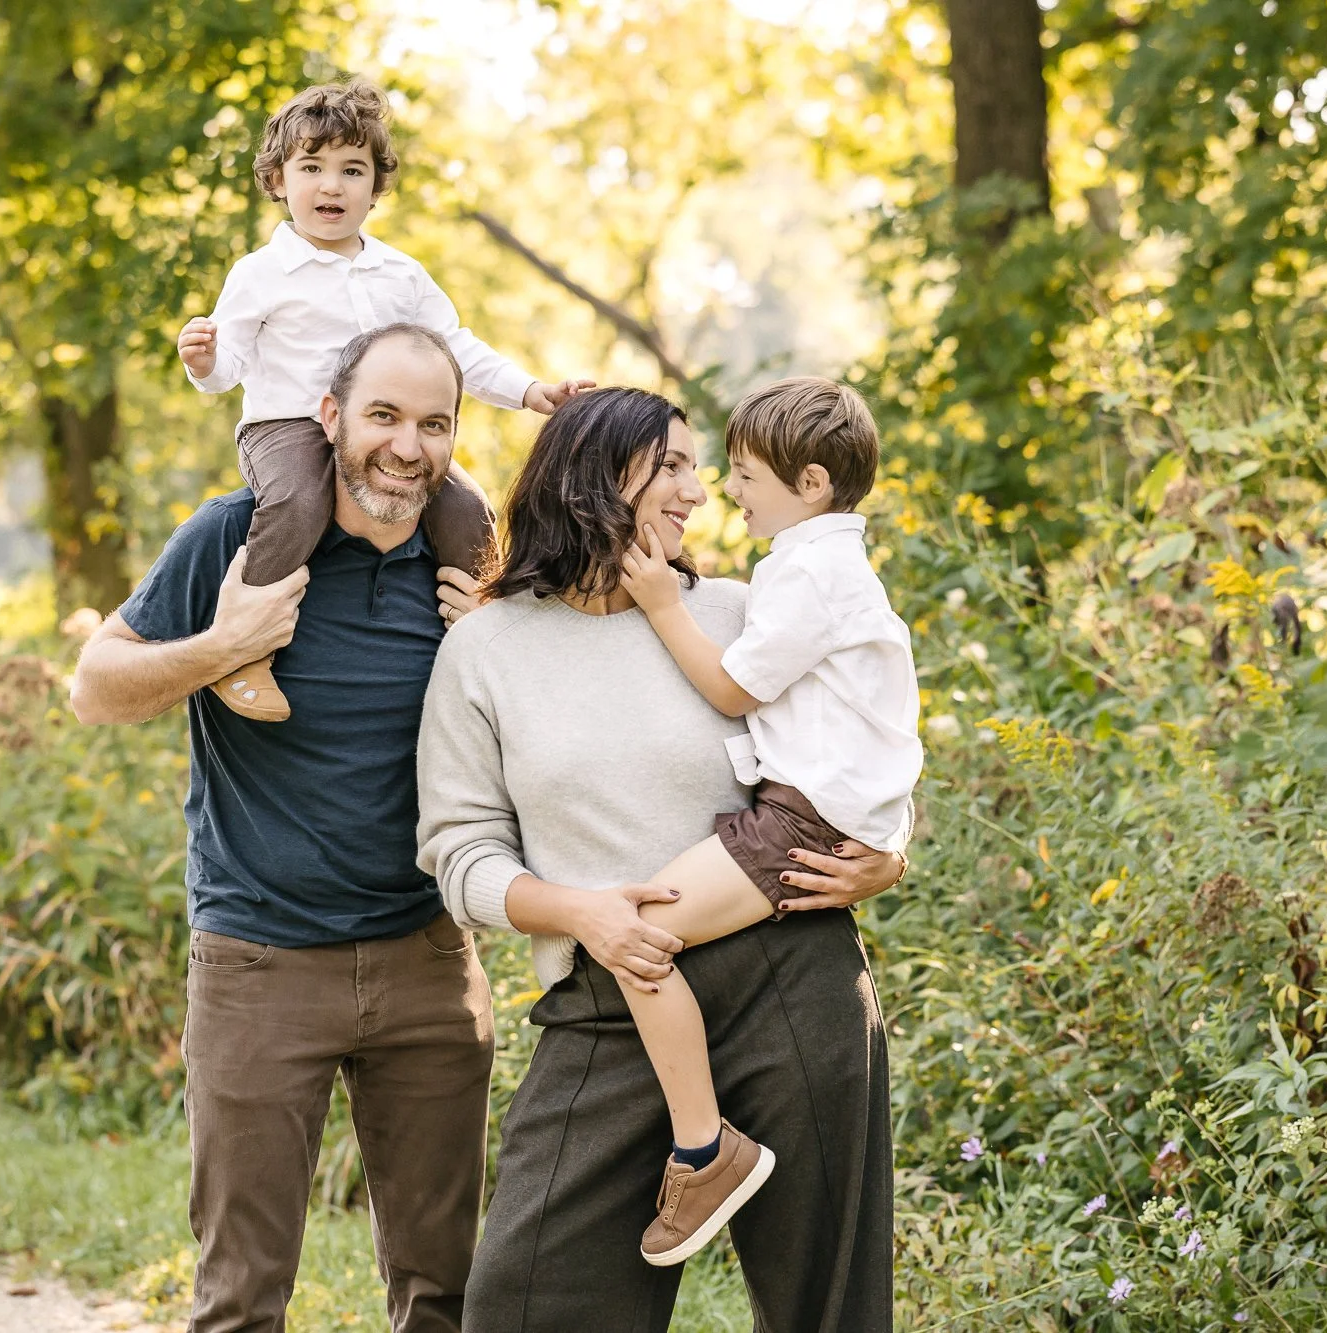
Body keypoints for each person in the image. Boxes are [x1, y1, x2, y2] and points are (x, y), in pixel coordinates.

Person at [417, 387, 904, 1331]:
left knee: (831, 1307)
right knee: (525, 1304)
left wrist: (890, 851)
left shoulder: (737, 609)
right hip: (611, 992)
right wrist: (578, 911)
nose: (701, 490)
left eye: (702, 466)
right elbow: (458, 852)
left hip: (790, 976)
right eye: (673, 466)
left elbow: (857, 732)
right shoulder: (485, 648)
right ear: (599, 473)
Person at [72, 325, 499, 1333]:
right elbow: (94, 686)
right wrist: (223, 644)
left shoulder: (469, 569)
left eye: (433, 423)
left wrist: (493, 645)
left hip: (428, 965)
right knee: (240, 1298)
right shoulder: (237, 538)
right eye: (383, 415)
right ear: (328, 417)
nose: (406, 446)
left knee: (445, 1292)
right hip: (259, 962)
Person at [608, 375, 922, 1264]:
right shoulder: (819, 569)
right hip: (813, 814)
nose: (726, 491)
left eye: (744, 474)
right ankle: (704, 1143)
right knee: (644, 932)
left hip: (801, 822)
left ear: (811, 483)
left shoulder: (815, 576)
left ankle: (704, 1149)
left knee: (635, 936)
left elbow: (731, 685)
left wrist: (664, 603)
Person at [176, 77, 589, 723]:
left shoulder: (400, 273)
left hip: (388, 430)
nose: (331, 185)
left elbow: (454, 347)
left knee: (467, 507)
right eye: (311, 167)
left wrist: (530, 390)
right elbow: (228, 367)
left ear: (375, 186)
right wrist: (204, 361)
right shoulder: (260, 273)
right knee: (298, 501)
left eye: (351, 169)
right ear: (279, 180)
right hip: (287, 426)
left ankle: (480, 631)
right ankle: (245, 651)